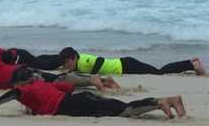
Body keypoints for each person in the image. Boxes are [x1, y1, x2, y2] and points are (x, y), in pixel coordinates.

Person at [0, 67, 187, 119]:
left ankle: (162, 102)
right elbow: (69, 88)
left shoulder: (23, 89)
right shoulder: (43, 85)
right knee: (120, 107)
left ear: (20, 82)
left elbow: (15, 94)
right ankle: (164, 102)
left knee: (125, 112)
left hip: (70, 106)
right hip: (78, 98)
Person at [0, 47, 119, 92]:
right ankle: (104, 81)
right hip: (21, 70)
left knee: (56, 81)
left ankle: (90, 80)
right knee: (55, 79)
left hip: (20, 76)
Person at [59, 47, 206, 76]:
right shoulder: (77, 64)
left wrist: (93, 74)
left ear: (73, 58)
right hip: (125, 67)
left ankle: (191, 64)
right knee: (158, 71)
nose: (66, 66)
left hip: (126, 65)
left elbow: (99, 60)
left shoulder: (84, 59)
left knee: (159, 72)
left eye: (67, 63)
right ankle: (190, 62)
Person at [0, 40, 65, 70]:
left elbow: (1, 66)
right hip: (18, 53)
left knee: (44, 66)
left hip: (20, 57)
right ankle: (59, 56)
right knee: (37, 60)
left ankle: (63, 59)